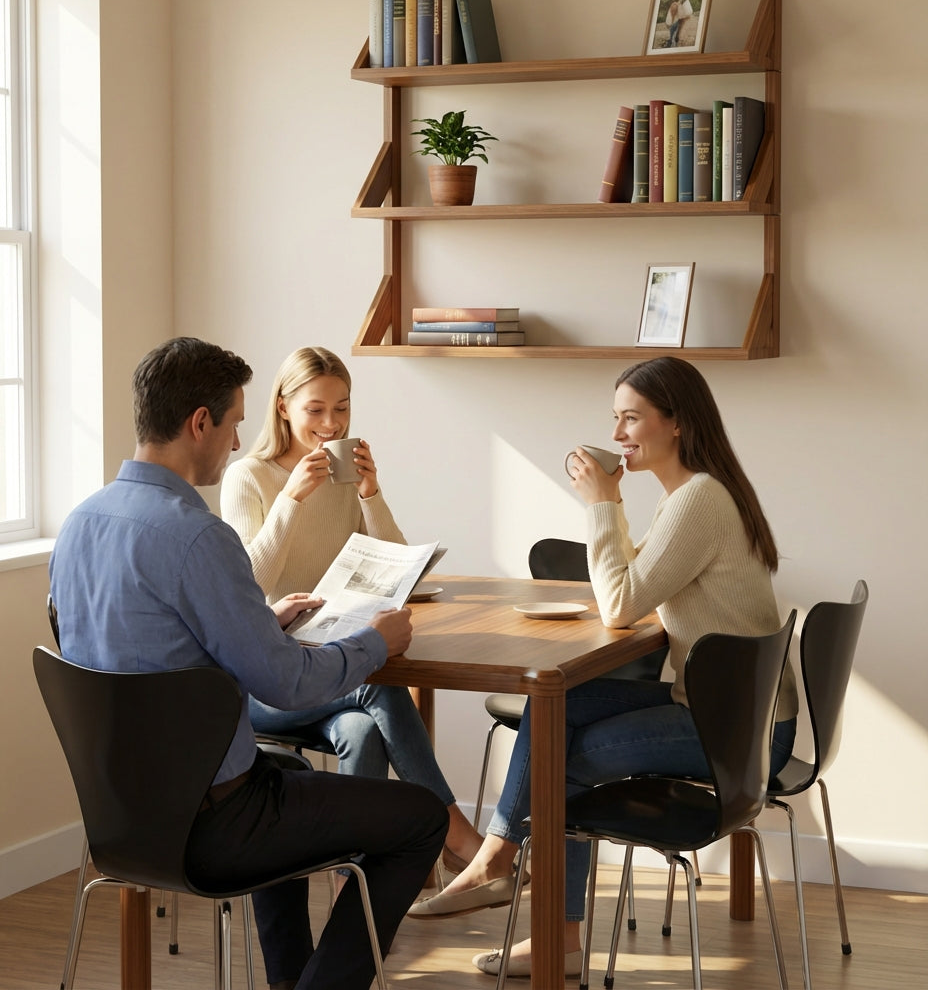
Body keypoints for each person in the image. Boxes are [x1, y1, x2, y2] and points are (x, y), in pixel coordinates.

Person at [49, 337, 448, 990]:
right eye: (233, 423)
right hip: (213, 824)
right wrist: (376, 643)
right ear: (199, 423)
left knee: (286, 771)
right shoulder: (198, 537)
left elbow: (145, 648)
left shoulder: (80, 524)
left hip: (121, 817)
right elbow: (287, 685)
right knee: (421, 818)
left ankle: (290, 981)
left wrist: (264, 624)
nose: (237, 442)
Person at [408, 356, 799, 980]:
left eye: (631, 419)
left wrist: (603, 502)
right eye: (615, 418)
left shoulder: (698, 500)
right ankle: (500, 865)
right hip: (728, 711)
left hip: (737, 732)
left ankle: (534, 910)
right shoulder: (691, 495)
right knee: (556, 705)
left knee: (554, 758)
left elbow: (618, 605)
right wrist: (612, 510)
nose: (617, 434)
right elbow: (633, 587)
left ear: (676, 422)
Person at [220, 346, 483, 875]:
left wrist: (369, 493)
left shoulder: (342, 478)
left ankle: (353, 886)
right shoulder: (248, 477)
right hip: (270, 678)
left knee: (362, 731)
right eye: (315, 409)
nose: (331, 423)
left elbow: (398, 565)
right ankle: (457, 834)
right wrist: (291, 499)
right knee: (377, 682)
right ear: (283, 407)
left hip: (332, 663)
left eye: (341, 408)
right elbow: (249, 585)